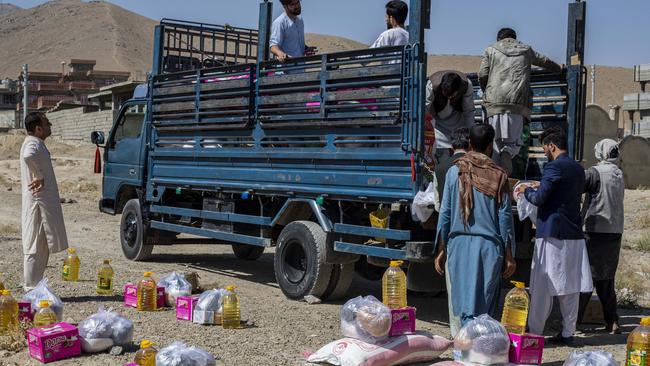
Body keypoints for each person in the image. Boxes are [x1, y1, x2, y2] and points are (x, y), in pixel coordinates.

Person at [435, 123, 516, 337]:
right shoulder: (499, 176)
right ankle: (479, 353)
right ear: (490, 147)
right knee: (484, 311)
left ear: (470, 144)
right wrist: (509, 255)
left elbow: (445, 214)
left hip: (458, 246)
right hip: (489, 248)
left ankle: (464, 352)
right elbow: (505, 219)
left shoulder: (455, 172)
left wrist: (442, 248)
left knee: (462, 307)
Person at [520, 126, 592, 344]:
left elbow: (540, 199)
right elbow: (561, 194)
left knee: (542, 285)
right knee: (570, 286)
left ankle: (534, 332)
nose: (544, 152)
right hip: (574, 234)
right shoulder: (578, 169)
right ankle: (568, 332)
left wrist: (526, 191)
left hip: (552, 233)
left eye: (544, 147)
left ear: (551, 146)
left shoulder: (553, 167)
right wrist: (541, 186)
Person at [479, 28, 562, 176]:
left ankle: (493, 180)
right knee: (512, 145)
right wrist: (559, 69)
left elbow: (482, 74)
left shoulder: (490, 50)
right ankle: (507, 158)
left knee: (494, 143)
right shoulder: (526, 50)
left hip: (493, 105)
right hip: (516, 105)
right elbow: (544, 61)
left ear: (499, 39)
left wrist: (487, 92)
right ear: (515, 38)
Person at [578, 139, 624, 334]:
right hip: (614, 231)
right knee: (606, 279)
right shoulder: (619, 173)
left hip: (594, 230)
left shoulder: (594, 173)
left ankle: (572, 321)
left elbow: (576, 188)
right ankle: (612, 321)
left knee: (586, 278)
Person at [20, 112, 69, 290]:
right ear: (38, 128)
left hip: (42, 204)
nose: (50, 126)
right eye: (47, 124)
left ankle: (35, 287)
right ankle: (31, 289)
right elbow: (28, 156)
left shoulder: (37, 143)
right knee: (34, 246)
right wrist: (39, 175)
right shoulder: (32, 143)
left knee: (41, 247)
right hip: (38, 205)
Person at [425, 71, 475, 171]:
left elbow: (469, 111)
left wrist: (471, 136)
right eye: (446, 95)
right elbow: (425, 108)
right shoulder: (432, 84)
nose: (449, 98)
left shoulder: (466, 85)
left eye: (452, 96)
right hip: (438, 126)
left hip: (458, 124)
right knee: (441, 164)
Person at [434, 127, 469, 200]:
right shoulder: (476, 165)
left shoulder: (439, 168)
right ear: (470, 146)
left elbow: (437, 203)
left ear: (452, 147)